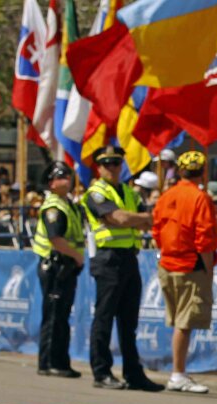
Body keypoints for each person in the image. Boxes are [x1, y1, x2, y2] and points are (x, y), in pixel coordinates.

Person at [82, 145, 162, 391]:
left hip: (129, 258)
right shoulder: (95, 192)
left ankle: (133, 373)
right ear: (99, 166)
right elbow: (120, 219)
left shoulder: (128, 191)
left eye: (116, 163)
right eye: (107, 163)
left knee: (129, 322)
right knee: (104, 318)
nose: (113, 168)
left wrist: (135, 219)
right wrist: (135, 219)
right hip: (107, 260)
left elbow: (145, 220)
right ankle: (102, 371)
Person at [150, 150, 217, 394]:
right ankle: (178, 374)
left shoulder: (166, 195)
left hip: (167, 264)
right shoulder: (200, 198)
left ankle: (178, 372)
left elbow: (156, 230)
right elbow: (205, 238)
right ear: (202, 172)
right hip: (190, 265)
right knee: (184, 322)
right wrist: (209, 271)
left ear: (180, 171)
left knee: (179, 321)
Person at [33, 161, 86, 378]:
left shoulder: (68, 204)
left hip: (65, 265)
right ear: (51, 183)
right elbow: (55, 238)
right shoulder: (53, 206)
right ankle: (49, 362)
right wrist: (77, 256)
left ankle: (61, 361)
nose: (66, 179)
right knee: (54, 316)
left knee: (62, 315)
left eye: (67, 175)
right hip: (55, 264)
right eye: (60, 176)